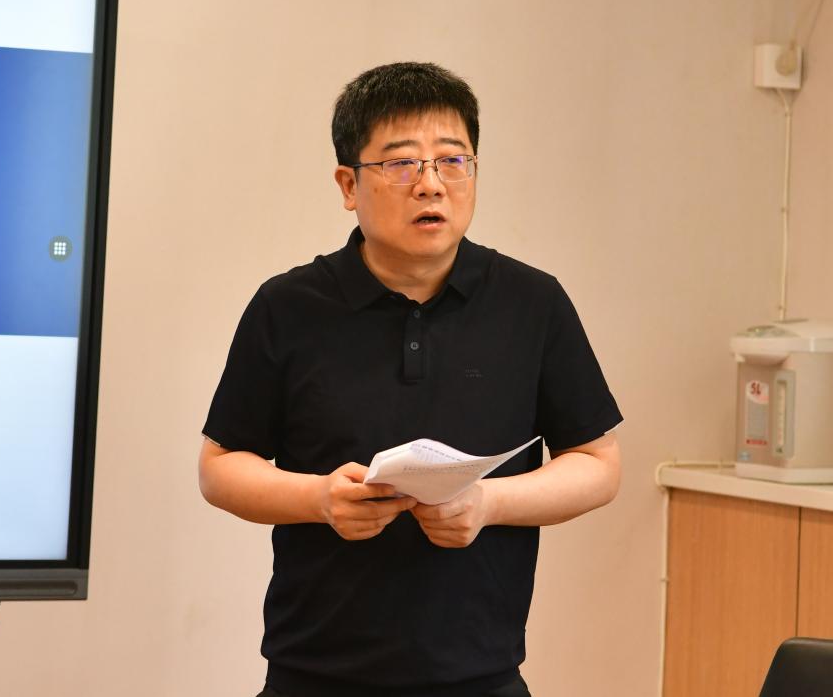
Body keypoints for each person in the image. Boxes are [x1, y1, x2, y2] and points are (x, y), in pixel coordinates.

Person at [199, 62, 622, 697]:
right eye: (401, 163)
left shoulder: (532, 303)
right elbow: (220, 468)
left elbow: (598, 463)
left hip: (481, 675)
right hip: (313, 675)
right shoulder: (288, 307)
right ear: (348, 184)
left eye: (453, 160)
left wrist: (490, 504)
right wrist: (319, 499)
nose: (431, 185)